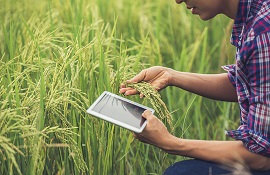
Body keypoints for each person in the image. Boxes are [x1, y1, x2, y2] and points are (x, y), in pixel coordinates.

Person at [119, 0, 270, 174]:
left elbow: (262, 157)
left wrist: (170, 143)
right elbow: (251, 84)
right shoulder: (255, 15)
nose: (178, 0)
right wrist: (171, 75)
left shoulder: (263, 32)